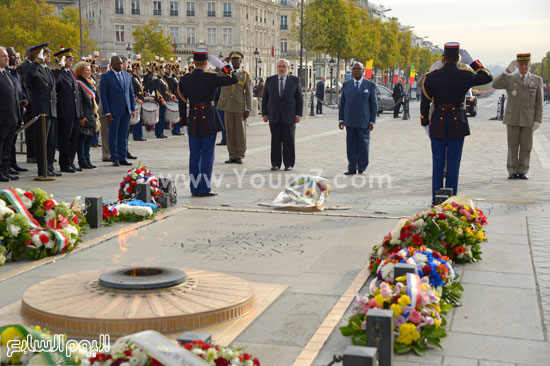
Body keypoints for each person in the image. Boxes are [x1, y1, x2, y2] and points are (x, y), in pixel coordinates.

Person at [421, 42, 492, 204]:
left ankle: (436, 200)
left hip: (437, 122)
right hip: (457, 121)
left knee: (438, 164)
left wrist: (425, 121)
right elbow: (487, 77)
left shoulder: (432, 76)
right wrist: (473, 62)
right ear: (459, 58)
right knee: (453, 163)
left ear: (443, 57)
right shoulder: (465, 74)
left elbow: (425, 102)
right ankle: (451, 201)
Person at [177, 48, 238, 197]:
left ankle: (194, 188)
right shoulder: (212, 77)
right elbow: (233, 78)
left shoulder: (185, 79)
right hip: (208, 118)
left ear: (194, 62)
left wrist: (184, 120)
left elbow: (181, 101)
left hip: (193, 118)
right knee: (207, 154)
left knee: (194, 155)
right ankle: (204, 188)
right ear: (206, 62)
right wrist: (222, 65)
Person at [492, 53, 544, 180]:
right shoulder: (510, 78)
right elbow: (495, 85)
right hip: (513, 118)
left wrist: (538, 119)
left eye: (526, 64)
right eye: (521, 64)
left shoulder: (537, 80)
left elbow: (539, 102)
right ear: (517, 65)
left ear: (530, 65)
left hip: (528, 119)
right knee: (512, 145)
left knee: (526, 146)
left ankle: (523, 171)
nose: (523, 66)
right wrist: (506, 71)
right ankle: (512, 170)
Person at [262, 59, 303, 171]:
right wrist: (265, 113)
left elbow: (299, 98)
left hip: (289, 116)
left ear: (288, 68)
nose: (281, 68)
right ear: (277, 68)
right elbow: (265, 98)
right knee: (275, 141)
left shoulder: (295, 80)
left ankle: (289, 163)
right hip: (274, 116)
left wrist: (298, 114)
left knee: (289, 141)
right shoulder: (270, 80)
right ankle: (275, 163)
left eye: (284, 66)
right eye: (279, 66)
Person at [27, 44, 61, 177]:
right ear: (37, 55)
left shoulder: (48, 70)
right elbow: (29, 75)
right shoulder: (35, 68)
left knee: (51, 142)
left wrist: (60, 67)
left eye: (47, 53)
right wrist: (37, 61)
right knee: (42, 142)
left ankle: (50, 168)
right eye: (45, 53)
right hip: (41, 111)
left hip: (51, 110)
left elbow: (55, 83)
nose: (48, 56)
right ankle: (42, 169)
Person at [338, 62, 377, 175]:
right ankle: (351, 167)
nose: (355, 71)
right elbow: (342, 103)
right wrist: (341, 119)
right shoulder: (346, 84)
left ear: (363, 70)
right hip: (349, 120)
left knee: (363, 145)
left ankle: (362, 167)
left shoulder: (369, 85)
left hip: (364, 121)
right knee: (351, 145)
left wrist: (372, 121)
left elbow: (373, 105)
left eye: (358, 69)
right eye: (354, 69)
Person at [99, 55, 136, 166]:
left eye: (120, 63)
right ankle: (114, 158)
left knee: (123, 135)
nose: (120, 65)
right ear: (112, 65)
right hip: (113, 111)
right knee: (113, 135)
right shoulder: (106, 76)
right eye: (117, 63)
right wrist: (107, 112)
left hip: (125, 110)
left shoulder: (126, 75)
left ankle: (122, 157)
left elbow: (131, 92)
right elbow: (104, 96)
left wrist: (132, 107)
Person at [217, 51, 252, 165]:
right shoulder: (226, 73)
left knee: (240, 132)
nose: (235, 62)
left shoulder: (245, 75)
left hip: (239, 106)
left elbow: (248, 93)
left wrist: (248, 108)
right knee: (230, 132)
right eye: (232, 60)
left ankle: (240, 155)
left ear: (241, 61)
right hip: (227, 106)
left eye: (237, 60)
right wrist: (223, 63)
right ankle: (231, 154)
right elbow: (215, 74)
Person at [53, 48, 83, 173]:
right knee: (65, 140)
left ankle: (70, 162)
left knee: (73, 139)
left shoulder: (70, 72)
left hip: (74, 112)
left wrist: (80, 113)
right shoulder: (58, 73)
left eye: (71, 58)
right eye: (68, 58)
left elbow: (76, 95)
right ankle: (64, 164)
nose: (71, 60)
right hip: (65, 112)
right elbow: (54, 81)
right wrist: (59, 66)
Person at [6, 47, 28, 174]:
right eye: (11, 56)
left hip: (19, 109)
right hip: (9, 111)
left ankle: (13, 163)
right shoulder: (6, 73)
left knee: (13, 139)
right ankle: (7, 165)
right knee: (8, 141)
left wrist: (24, 98)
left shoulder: (14, 72)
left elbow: (20, 88)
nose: (14, 58)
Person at [0, 47, 21, 181]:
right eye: (3, 56)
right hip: (2, 118)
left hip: (11, 117)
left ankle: (5, 170)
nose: (7, 58)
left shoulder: (7, 73)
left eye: (7, 56)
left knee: (8, 147)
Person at [74, 61, 98, 169]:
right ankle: (82, 161)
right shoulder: (79, 83)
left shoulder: (90, 82)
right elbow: (78, 102)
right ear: (80, 71)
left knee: (89, 140)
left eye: (89, 70)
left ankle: (87, 160)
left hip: (91, 113)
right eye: (86, 70)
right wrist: (81, 116)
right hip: (84, 114)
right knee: (82, 140)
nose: (89, 72)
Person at [152, 64, 171, 139]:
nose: (164, 71)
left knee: (162, 117)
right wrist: (162, 99)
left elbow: (165, 90)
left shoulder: (163, 79)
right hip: (160, 101)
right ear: (159, 71)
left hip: (164, 100)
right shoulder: (157, 80)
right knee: (159, 117)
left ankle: (161, 132)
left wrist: (170, 95)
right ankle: (158, 133)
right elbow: (157, 91)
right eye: (162, 70)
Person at [130, 60, 146, 142]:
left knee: (139, 118)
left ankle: (139, 135)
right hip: (136, 101)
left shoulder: (138, 78)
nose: (140, 70)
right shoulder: (133, 79)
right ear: (135, 70)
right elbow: (132, 92)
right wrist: (137, 99)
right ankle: (137, 135)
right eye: (139, 69)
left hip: (140, 100)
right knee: (136, 119)